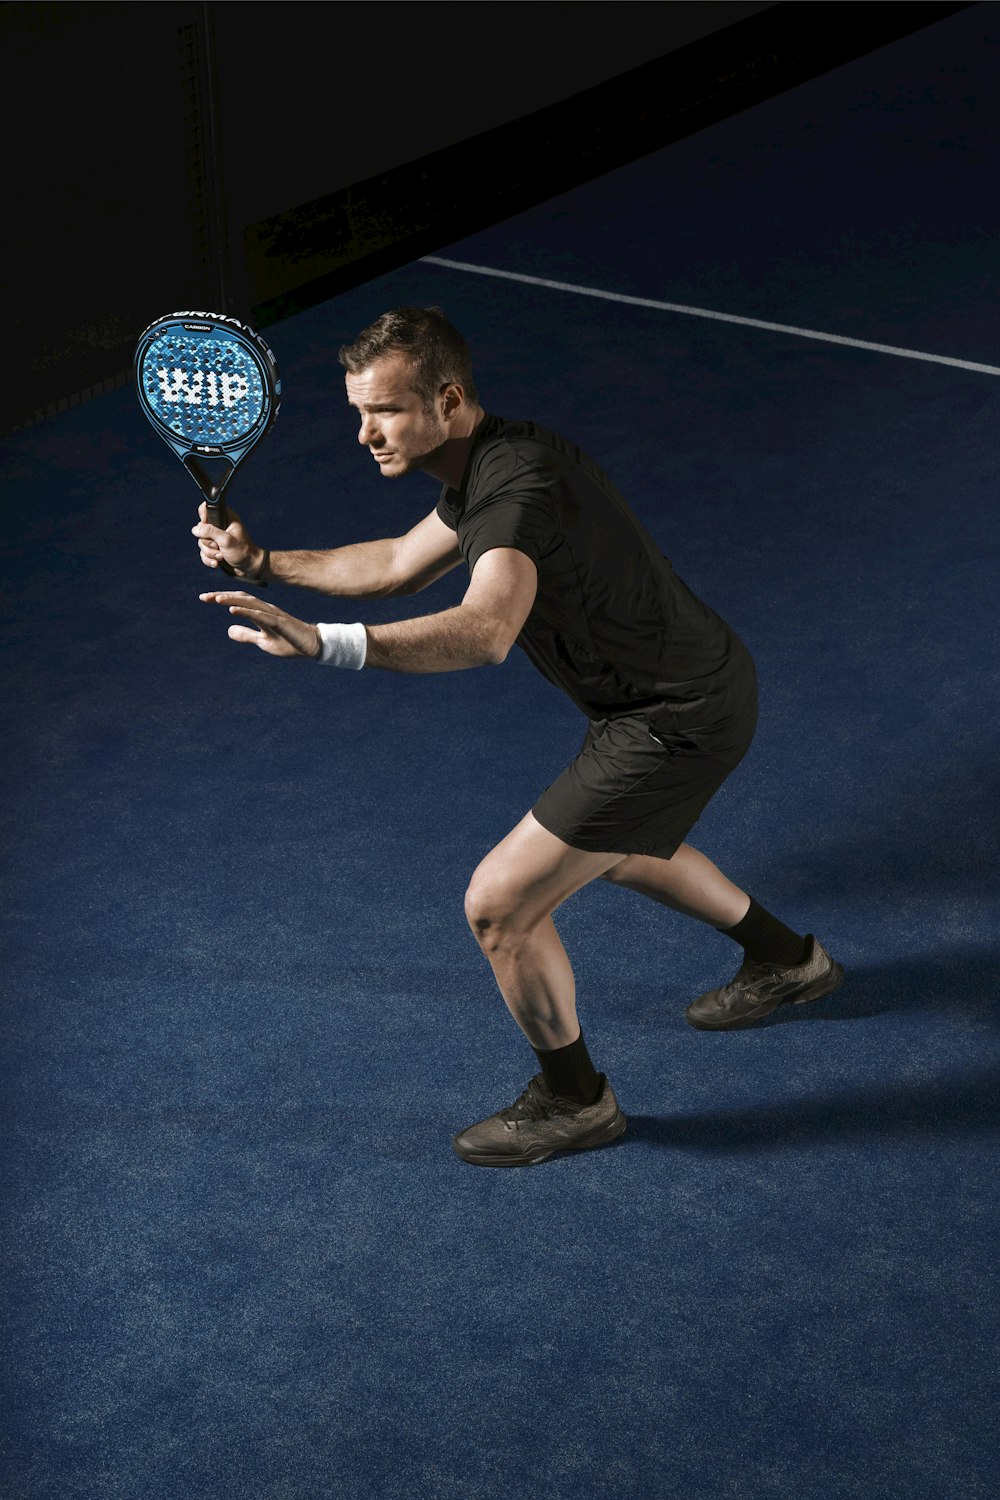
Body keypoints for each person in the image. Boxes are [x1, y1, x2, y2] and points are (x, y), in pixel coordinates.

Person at [194, 305, 843, 1168]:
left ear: (449, 400)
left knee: (500, 905)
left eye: (382, 411)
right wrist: (265, 562)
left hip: (675, 716)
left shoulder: (517, 485)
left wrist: (326, 644)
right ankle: (789, 962)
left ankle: (577, 1101)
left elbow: (486, 629)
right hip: (676, 693)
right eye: (358, 412)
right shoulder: (487, 465)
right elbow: (392, 563)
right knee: (620, 845)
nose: (364, 434)